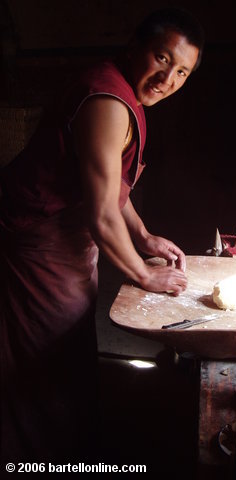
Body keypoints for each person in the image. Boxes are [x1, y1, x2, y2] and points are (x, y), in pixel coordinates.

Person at [0, 7, 204, 463]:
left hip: (64, 242)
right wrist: (142, 275)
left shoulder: (125, 92)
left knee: (67, 349)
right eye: (162, 58)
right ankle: (36, 458)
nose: (168, 78)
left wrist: (145, 236)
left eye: (183, 72)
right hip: (37, 240)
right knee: (41, 356)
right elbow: (100, 214)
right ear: (135, 48)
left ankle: (68, 445)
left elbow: (109, 186)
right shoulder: (108, 104)